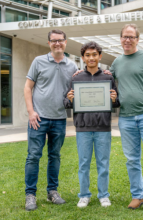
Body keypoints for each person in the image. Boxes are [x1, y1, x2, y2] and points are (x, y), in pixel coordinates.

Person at [108, 24, 143, 215]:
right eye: (125, 36)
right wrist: (81, 75)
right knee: (132, 160)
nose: (127, 40)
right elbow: (106, 81)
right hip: (125, 118)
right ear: (121, 38)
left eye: (131, 37)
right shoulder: (116, 62)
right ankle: (138, 196)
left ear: (137, 39)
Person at [24, 29, 78, 211]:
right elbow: (27, 88)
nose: (57, 43)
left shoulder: (72, 66)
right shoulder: (38, 61)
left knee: (55, 156)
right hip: (38, 119)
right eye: (53, 41)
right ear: (49, 43)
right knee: (33, 156)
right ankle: (30, 195)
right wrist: (31, 112)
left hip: (60, 119)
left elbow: (81, 85)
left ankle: (52, 192)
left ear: (65, 42)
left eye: (60, 40)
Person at [63, 41, 120, 208]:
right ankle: (84, 195)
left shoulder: (108, 77)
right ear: (83, 58)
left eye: (94, 55)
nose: (91, 58)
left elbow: (117, 103)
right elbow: (66, 102)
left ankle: (103, 195)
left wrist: (115, 99)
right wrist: (70, 99)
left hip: (103, 127)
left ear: (100, 56)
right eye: (87, 55)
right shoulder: (76, 77)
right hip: (83, 128)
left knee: (103, 163)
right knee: (84, 163)